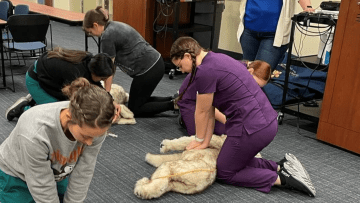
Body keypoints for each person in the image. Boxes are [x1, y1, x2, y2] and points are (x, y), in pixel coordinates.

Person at [170, 37, 316, 197]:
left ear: (187, 56)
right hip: (266, 123)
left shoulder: (205, 71)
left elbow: (202, 111)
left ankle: (283, 179)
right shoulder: (217, 58)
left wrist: (197, 140)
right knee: (230, 159)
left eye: (179, 66)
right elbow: (210, 110)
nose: (182, 71)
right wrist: (205, 141)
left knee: (224, 171)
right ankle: (280, 166)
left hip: (252, 129)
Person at [0, 77, 117, 202]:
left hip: (56, 169)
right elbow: (41, 184)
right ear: (69, 116)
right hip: (16, 174)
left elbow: (84, 171)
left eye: (94, 137)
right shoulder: (34, 133)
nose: (89, 142)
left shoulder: (97, 126)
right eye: (85, 136)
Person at [82, 6, 177, 117]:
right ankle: (173, 99)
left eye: (90, 32)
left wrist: (106, 95)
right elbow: (111, 67)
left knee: (135, 108)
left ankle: (174, 105)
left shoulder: (107, 36)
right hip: (155, 63)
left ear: (95, 25)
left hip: (148, 69)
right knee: (138, 100)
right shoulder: (113, 26)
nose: (91, 34)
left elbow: (108, 69)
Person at [5, 47, 117, 121]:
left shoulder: (90, 61)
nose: (102, 80)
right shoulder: (75, 73)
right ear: (94, 71)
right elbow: (75, 101)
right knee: (59, 116)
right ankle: (22, 109)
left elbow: (96, 85)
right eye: (102, 78)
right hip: (35, 81)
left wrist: (110, 101)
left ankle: (37, 99)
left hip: (49, 78)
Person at [177, 60, 271, 136]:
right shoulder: (232, 77)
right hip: (192, 99)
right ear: (250, 71)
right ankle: (183, 117)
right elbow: (209, 106)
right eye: (256, 84)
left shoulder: (244, 73)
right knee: (201, 137)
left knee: (229, 132)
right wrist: (230, 122)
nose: (255, 89)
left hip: (211, 99)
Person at [237, 0, 315, 71]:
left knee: (260, 73)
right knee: (245, 72)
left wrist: (307, 7)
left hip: (274, 35)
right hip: (248, 29)